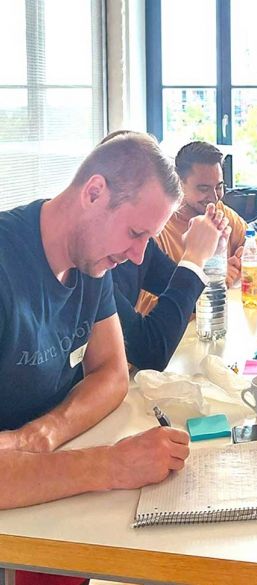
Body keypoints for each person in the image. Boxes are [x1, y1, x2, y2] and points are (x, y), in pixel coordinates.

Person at [0, 134, 192, 584]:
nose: (138, 256)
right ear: (93, 192)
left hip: (46, 497)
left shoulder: (91, 260)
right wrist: (112, 464)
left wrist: (44, 433)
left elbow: (113, 373)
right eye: (135, 234)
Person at [101, 132, 230, 371]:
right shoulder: (91, 267)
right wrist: (193, 257)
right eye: (136, 231)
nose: (139, 254)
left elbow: (195, 302)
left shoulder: (143, 245)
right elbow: (151, 350)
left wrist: (213, 254)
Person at [136, 141, 257, 318]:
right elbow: (144, 305)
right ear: (179, 183)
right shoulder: (159, 227)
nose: (214, 197)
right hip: (186, 331)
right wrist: (212, 281)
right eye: (203, 188)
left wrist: (249, 262)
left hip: (222, 322)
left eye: (219, 187)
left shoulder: (221, 212)